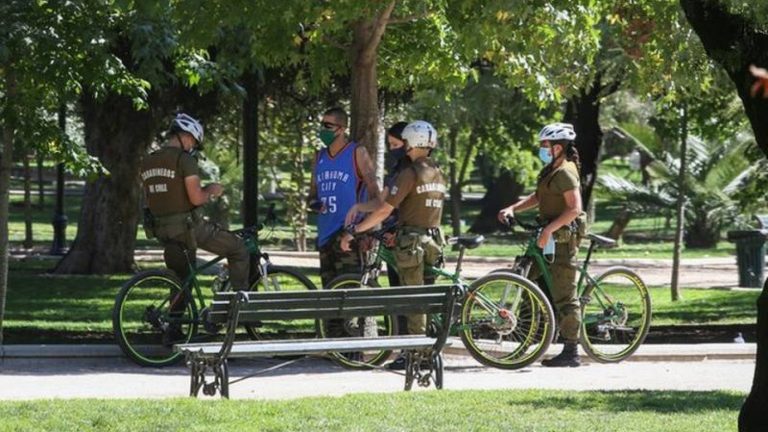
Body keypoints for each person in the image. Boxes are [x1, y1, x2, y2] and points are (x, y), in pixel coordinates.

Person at [340, 120, 445, 369]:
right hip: (432, 239)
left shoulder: (409, 173)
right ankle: (426, 351)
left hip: (411, 242)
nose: (401, 148)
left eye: (402, 143)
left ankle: (416, 356)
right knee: (426, 298)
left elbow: (384, 209)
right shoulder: (436, 171)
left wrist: (355, 230)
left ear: (413, 143)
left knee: (412, 299)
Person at [497, 122, 586, 368]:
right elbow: (539, 197)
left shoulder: (566, 171)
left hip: (561, 240)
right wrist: (513, 207)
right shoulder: (551, 170)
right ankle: (530, 337)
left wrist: (549, 230)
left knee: (565, 294)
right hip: (545, 236)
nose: (541, 149)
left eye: (544, 145)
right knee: (525, 281)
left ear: (557, 147)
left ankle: (571, 351)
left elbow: (574, 208)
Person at [141, 113, 250, 298]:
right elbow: (196, 198)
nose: (192, 147)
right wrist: (211, 190)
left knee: (182, 280)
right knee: (239, 248)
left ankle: (173, 323)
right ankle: (241, 304)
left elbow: (149, 198)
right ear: (185, 136)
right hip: (188, 228)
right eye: (193, 141)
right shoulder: (184, 160)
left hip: (162, 230)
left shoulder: (148, 161)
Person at [308, 107, 381, 289]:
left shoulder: (357, 153)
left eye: (327, 125)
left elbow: (376, 198)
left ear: (341, 129)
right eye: (321, 125)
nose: (322, 130)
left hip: (349, 235)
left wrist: (366, 229)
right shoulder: (319, 157)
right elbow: (312, 196)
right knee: (329, 295)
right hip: (325, 236)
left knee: (349, 295)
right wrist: (315, 204)